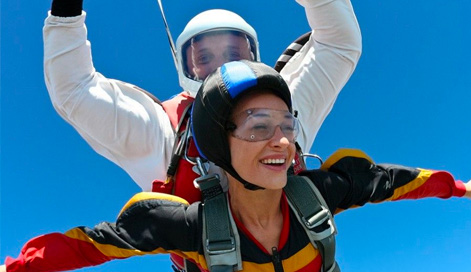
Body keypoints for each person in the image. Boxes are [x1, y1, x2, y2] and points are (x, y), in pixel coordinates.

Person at [1, 61, 471, 272]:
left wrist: (460, 187)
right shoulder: (186, 227)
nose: (282, 141)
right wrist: (11, 270)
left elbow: (394, 181)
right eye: (259, 127)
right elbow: (89, 246)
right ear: (220, 144)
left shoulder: (320, 191)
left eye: (287, 126)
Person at [44, 0, 362, 193]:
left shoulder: (286, 105)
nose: (221, 68)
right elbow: (74, 91)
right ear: (185, 69)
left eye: (234, 54)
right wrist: (65, 13)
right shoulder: (162, 133)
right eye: (204, 59)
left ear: (254, 57)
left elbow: (339, 42)